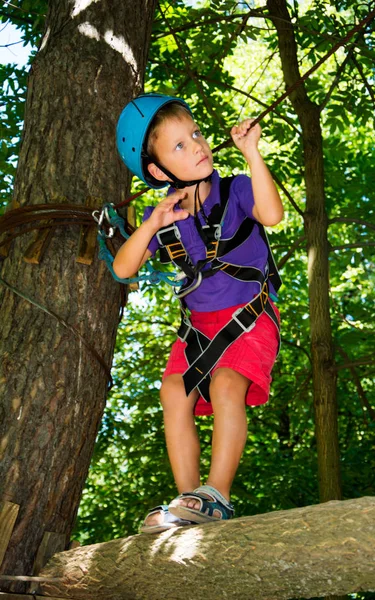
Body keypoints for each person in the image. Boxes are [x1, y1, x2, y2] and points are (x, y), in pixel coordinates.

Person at [114, 93, 284, 534]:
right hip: (198, 330)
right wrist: (152, 223)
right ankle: (188, 505)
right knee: (173, 393)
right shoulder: (164, 215)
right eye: (180, 146)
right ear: (157, 172)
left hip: (249, 316)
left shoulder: (237, 190)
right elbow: (122, 268)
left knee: (228, 383)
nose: (197, 146)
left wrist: (251, 153)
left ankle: (217, 495)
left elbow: (272, 214)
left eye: (195, 135)